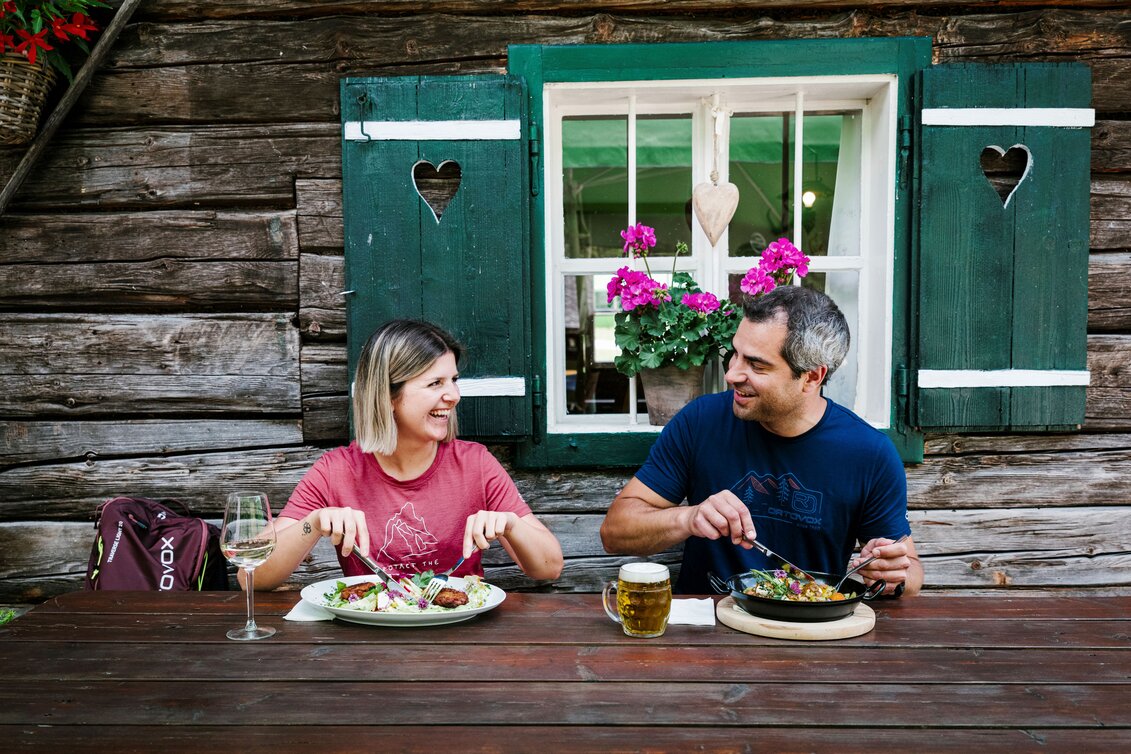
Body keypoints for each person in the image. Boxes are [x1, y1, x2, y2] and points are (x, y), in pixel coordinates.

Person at [600, 285, 923, 596]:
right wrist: (688, 517)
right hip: (708, 629)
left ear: (812, 377)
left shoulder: (869, 453)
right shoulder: (701, 421)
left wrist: (891, 573)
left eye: (756, 365)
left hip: (814, 630)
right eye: (735, 355)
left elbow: (909, 576)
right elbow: (615, 533)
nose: (732, 374)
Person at [250, 319, 563, 590]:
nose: (453, 396)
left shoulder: (475, 464)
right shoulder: (336, 470)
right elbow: (253, 577)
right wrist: (314, 522)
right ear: (388, 396)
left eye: (453, 380)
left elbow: (549, 567)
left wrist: (511, 524)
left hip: (459, 636)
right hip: (368, 640)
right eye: (435, 383)